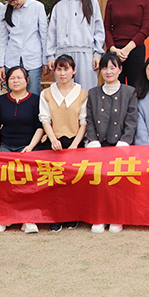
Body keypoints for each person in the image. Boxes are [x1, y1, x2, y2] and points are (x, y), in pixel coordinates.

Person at [85, 51, 138, 234]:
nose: (108, 71)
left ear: (120, 69)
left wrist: (125, 142)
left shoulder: (129, 92)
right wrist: (92, 140)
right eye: (105, 68)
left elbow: (132, 120)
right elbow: (89, 120)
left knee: (118, 183)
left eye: (112, 67)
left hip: (120, 147)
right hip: (99, 145)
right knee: (98, 184)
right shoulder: (93, 93)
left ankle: (117, 217)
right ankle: (98, 217)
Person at [0, 66, 44, 234]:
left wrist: (30, 147)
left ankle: (28, 219)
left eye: (20, 78)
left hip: (28, 146)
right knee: (2, 178)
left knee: (28, 178)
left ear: (27, 81)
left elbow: (40, 126)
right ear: (7, 82)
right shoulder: (1, 101)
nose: (16, 81)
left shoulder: (36, 100)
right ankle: (3, 218)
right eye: (12, 78)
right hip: (5, 145)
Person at [39, 54, 88, 232]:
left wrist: (75, 144)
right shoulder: (46, 93)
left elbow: (84, 122)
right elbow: (45, 119)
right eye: (59, 69)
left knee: (73, 181)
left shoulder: (83, 94)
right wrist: (53, 139)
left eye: (66, 68)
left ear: (73, 71)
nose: (62, 72)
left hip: (75, 142)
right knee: (53, 182)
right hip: (53, 142)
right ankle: (55, 216)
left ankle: (72, 215)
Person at [46, 0, 104, 90]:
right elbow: (52, 33)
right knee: (64, 91)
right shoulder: (59, 6)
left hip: (86, 55)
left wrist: (97, 54)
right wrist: (50, 56)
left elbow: (99, 31)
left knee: (87, 92)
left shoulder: (92, 3)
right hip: (63, 53)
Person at [0, 0, 48, 96]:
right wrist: (1, 64)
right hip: (11, 59)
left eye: (15, 0)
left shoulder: (37, 7)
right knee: (13, 95)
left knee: (33, 94)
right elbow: (2, 38)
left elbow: (44, 35)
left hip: (33, 59)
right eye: (9, 2)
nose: (13, 4)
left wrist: (46, 60)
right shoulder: (4, 10)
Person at [103, 0, 149, 87]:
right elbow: (106, 28)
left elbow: (145, 29)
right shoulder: (111, 2)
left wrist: (127, 49)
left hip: (135, 50)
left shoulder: (144, 2)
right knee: (114, 87)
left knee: (135, 88)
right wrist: (113, 49)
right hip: (115, 51)